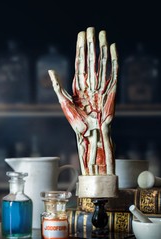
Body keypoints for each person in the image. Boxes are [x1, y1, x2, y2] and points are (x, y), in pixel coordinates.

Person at [48, 27, 118, 176]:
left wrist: (102, 130)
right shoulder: (86, 132)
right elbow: (84, 129)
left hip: (102, 177)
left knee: (101, 129)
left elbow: (97, 129)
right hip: (92, 173)